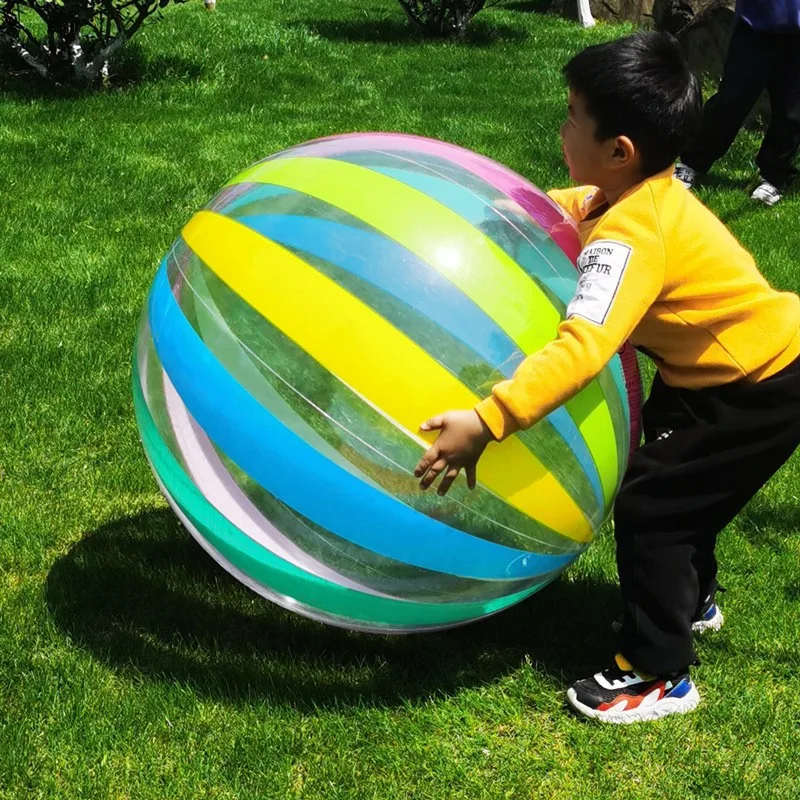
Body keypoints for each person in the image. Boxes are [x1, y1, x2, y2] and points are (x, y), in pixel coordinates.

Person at [413, 31, 800, 723]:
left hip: (758, 387)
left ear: (620, 149)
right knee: (682, 486)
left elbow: (583, 345)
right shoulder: (633, 194)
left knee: (657, 504)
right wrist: (514, 215)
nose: (560, 128)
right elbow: (575, 204)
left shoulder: (631, 237)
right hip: (718, 370)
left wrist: (488, 420)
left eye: (570, 117)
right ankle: (690, 598)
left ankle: (658, 671)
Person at [675, 0, 800, 206]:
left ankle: (774, 176)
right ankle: (692, 162)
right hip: (756, 27)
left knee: (792, 111)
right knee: (732, 99)